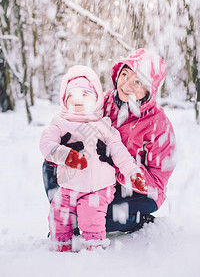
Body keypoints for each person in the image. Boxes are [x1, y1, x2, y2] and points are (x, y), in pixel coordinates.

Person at [42, 48, 176, 235]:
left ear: (150, 88)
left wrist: (118, 164)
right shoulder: (102, 101)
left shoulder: (159, 126)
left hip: (137, 190)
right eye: (124, 75)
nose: (126, 85)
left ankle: (135, 221)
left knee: (101, 215)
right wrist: (64, 147)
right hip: (94, 174)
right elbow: (70, 119)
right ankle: (66, 215)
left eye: (137, 81)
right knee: (49, 167)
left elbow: (157, 182)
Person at [40, 65, 147, 252]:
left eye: (84, 95)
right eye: (71, 96)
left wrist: (132, 172)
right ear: (64, 100)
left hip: (98, 188)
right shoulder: (59, 123)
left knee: (91, 216)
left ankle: (93, 248)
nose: (77, 100)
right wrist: (63, 154)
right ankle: (60, 247)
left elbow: (119, 151)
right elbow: (46, 143)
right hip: (68, 186)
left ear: (96, 99)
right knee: (58, 214)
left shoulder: (102, 125)